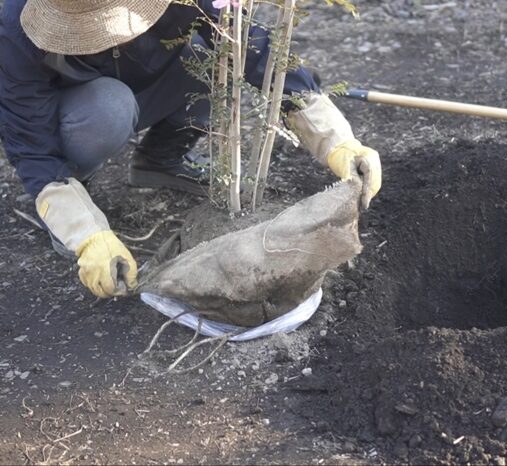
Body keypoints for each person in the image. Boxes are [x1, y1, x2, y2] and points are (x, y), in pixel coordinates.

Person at [0, 0, 381, 299]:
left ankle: (161, 159)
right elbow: (33, 148)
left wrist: (336, 141)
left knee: (214, 61)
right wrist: (84, 234)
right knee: (109, 107)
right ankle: (79, 190)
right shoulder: (18, 26)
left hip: (148, 82)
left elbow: (255, 53)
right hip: (83, 113)